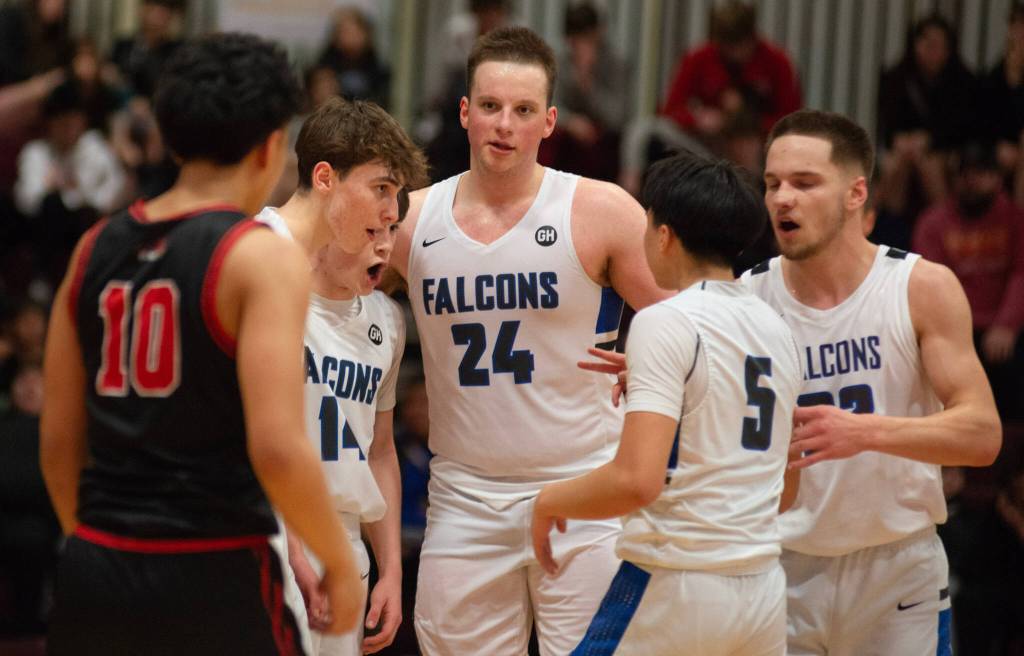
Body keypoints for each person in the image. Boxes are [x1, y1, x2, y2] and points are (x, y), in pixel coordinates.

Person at [38, 33, 362, 656]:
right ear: (272, 147)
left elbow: (58, 442)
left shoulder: (92, 249)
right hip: (213, 567)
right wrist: (338, 562)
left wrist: (100, 545)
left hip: (95, 567)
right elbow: (277, 448)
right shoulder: (258, 257)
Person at [389, 26, 668, 655]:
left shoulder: (602, 210)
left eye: (521, 111)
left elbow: (690, 319)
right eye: (489, 106)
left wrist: (656, 356)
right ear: (464, 112)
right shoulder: (410, 220)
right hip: (464, 498)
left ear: (549, 122)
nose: (503, 126)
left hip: (585, 493)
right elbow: (332, 291)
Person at [742, 109, 1001, 655]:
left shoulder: (920, 286)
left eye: (805, 183)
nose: (782, 198)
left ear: (856, 192)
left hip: (896, 569)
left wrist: (864, 433)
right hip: (780, 564)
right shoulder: (744, 299)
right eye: (772, 184)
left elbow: (982, 434)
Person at [531, 152, 803, 655]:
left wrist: (549, 500)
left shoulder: (666, 321)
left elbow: (636, 480)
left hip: (678, 581)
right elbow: (787, 484)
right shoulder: (778, 330)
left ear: (663, 234)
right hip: (762, 588)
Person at [256, 97, 427, 656]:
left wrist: (391, 571)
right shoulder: (256, 256)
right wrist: (287, 546)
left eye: (396, 199)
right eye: (381, 189)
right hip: (267, 529)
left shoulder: (384, 321)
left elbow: (379, 452)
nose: (389, 214)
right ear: (326, 178)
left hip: (345, 541)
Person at [913, 141, 1024, 422]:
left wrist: (1007, 325)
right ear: (955, 177)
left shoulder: (1015, 220)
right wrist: (951, 333)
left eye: (982, 174)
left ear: (997, 178)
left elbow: (1020, 274)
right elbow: (931, 283)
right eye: (967, 174)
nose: (973, 181)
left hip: (1004, 327)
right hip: (953, 327)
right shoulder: (932, 223)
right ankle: (950, 463)